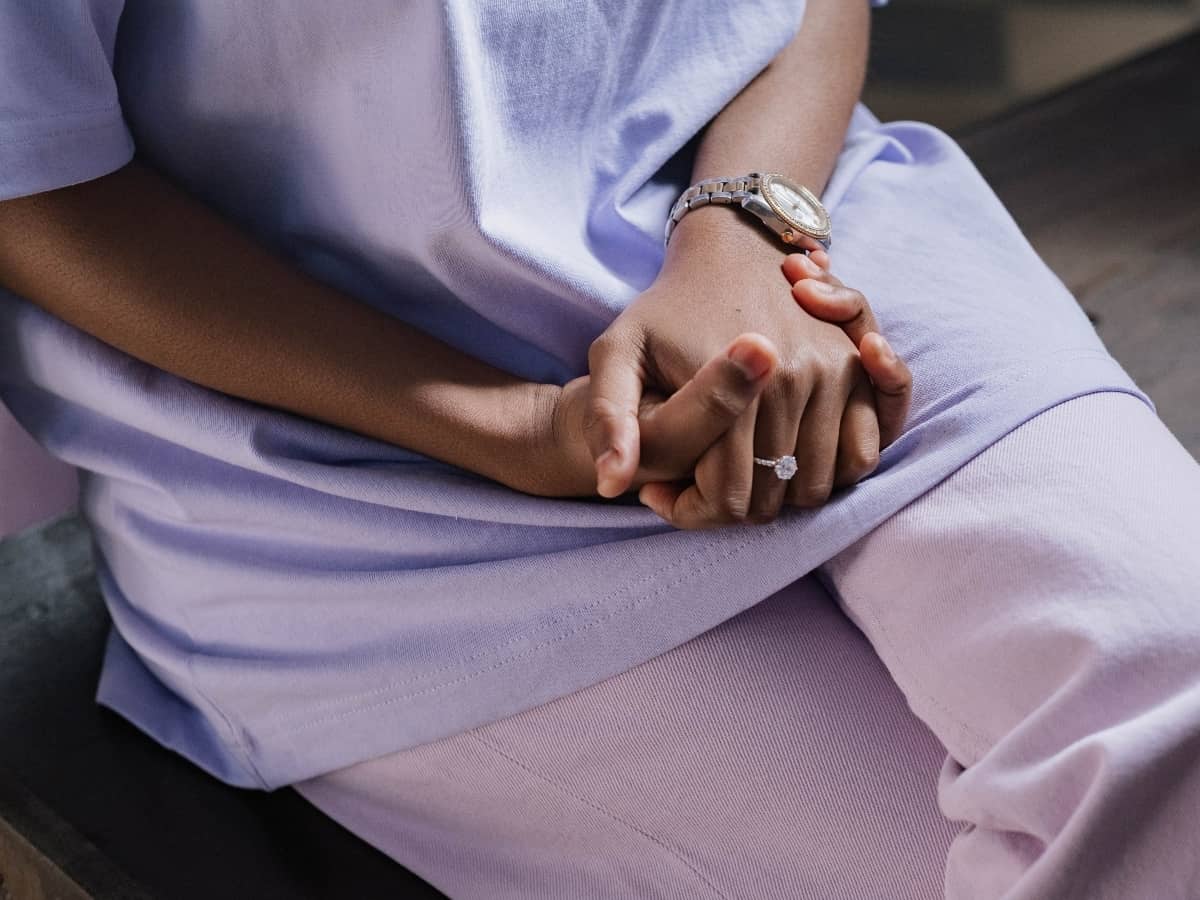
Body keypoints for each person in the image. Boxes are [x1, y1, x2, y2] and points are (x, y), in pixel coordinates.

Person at [1, 0, 1197, 897]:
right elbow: (34, 185)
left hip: (814, 265)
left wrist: (743, 231)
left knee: (1171, 695)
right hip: (356, 473)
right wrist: (514, 429)